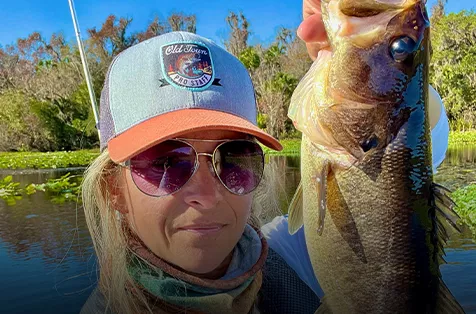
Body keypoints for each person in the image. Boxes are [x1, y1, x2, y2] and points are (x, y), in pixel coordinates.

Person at [80, 31, 321, 314]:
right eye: (166, 163)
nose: (207, 196)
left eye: (232, 158)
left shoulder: (308, 255)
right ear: (114, 190)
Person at [262, 0, 451, 300]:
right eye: (399, 48)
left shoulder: (273, 253)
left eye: (401, 48)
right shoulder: (272, 251)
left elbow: (421, 126)